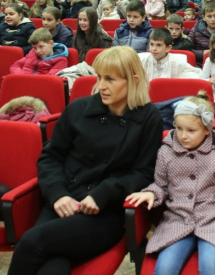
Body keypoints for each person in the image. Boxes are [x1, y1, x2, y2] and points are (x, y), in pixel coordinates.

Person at [8, 45, 163, 275]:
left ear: (133, 80)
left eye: (110, 79)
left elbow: (144, 172)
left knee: (32, 242)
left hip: (105, 211)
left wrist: (105, 192)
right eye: (99, 77)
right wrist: (58, 194)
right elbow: (51, 157)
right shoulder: (79, 109)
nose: (101, 86)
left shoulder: (148, 118)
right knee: (52, 267)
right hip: (63, 200)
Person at [126, 93, 215, 274]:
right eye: (179, 129)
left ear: (207, 130)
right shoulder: (166, 152)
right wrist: (150, 193)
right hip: (178, 219)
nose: (183, 136)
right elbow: (160, 185)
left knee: (210, 266)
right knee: (165, 267)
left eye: (191, 131)